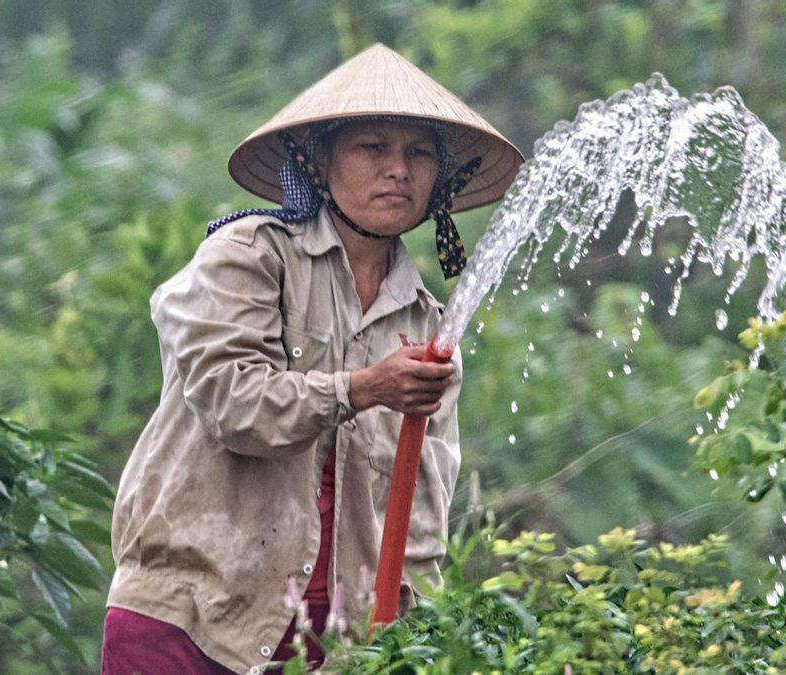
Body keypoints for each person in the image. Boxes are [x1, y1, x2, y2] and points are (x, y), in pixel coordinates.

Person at [101, 43, 522, 674]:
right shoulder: (248, 255)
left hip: (333, 644)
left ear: (441, 179)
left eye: (419, 153)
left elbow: (422, 518)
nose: (399, 171)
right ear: (320, 161)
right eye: (372, 147)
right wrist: (365, 387)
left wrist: (412, 640)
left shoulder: (428, 327)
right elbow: (233, 405)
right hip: (189, 618)